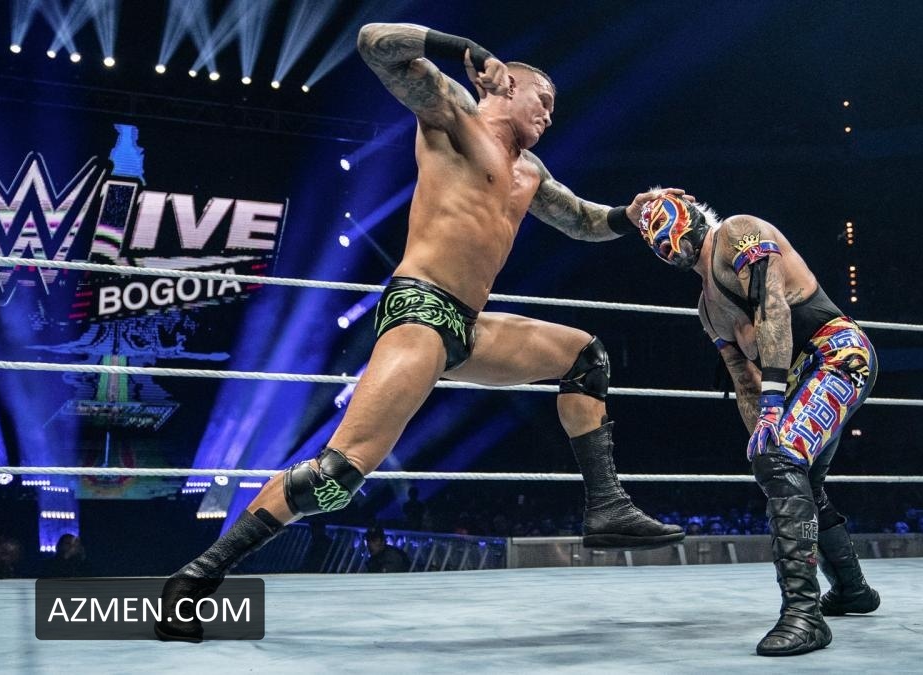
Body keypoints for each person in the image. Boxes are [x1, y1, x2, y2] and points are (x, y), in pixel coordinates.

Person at [155, 23, 684, 642]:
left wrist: (630, 214)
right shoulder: (453, 117)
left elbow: (583, 222)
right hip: (422, 310)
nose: (549, 113)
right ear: (505, 87)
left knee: (584, 356)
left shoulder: (530, 171)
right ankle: (195, 578)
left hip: (469, 326)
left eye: (553, 108)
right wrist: (464, 50)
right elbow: (373, 42)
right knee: (337, 475)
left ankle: (607, 506)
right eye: (542, 99)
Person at [633, 194, 881, 656]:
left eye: (661, 225)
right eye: (651, 241)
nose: (661, 244)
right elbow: (742, 378)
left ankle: (804, 615)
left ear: (689, 214)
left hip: (837, 354)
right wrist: (762, 446)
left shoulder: (738, 231)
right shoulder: (707, 310)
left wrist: (772, 411)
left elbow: (773, 308)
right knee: (788, 472)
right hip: (792, 381)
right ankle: (852, 590)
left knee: (783, 457)